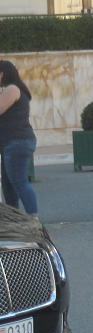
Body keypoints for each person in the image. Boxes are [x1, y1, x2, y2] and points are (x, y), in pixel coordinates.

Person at [0, 60, 38, 216]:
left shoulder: (12, 89)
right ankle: (14, 220)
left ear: (2, 73)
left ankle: (33, 218)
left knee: (19, 182)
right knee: (8, 185)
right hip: (10, 142)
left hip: (17, 142)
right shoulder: (10, 90)